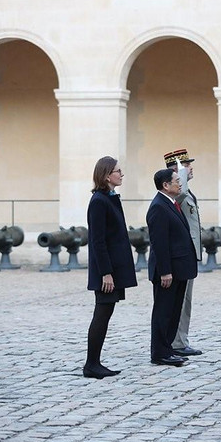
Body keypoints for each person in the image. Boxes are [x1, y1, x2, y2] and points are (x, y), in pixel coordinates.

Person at [84, 156, 137, 379]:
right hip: (106, 271)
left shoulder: (110, 198)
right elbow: (97, 240)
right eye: (118, 171)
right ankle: (92, 364)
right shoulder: (98, 201)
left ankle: (94, 362)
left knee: (106, 313)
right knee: (102, 313)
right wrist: (106, 272)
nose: (121, 174)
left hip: (114, 268)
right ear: (107, 175)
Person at [147, 169, 198, 367]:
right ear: (165, 185)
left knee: (174, 311)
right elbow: (160, 243)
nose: (180, 184)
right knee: (163, 312)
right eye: (177, 181)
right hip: (168, 272)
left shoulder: (172, 203)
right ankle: (159, 353)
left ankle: (167, 349)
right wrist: (165, 271)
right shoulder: (159, 207)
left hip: (180, 269)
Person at [164, 149, 203, 357]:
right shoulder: (178, 191)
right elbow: (180, 194)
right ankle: (177, 342)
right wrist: (180, 173)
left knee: (186, 302)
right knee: (180, 302)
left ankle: (180, 340)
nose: (190, 168)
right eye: (186, 165)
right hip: (182, 255)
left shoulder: (186, 191)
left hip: (190, 253)